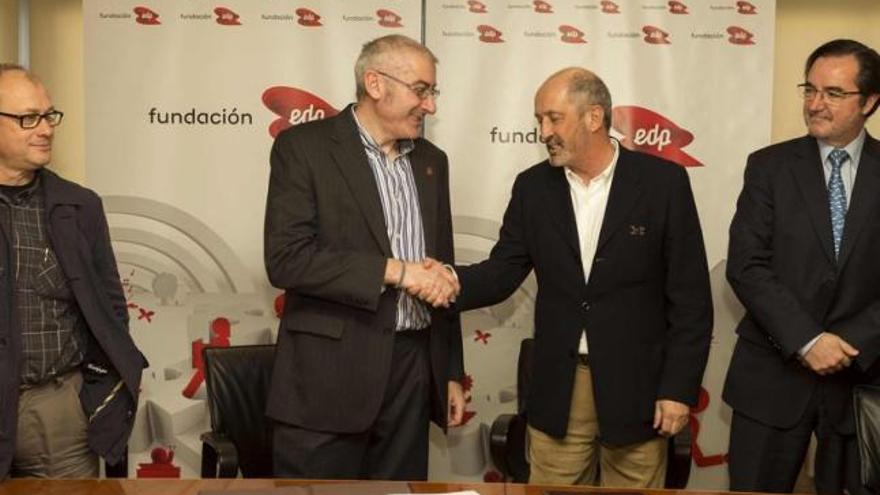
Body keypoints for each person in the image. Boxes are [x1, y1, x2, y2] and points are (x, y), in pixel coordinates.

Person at [449, 67, 712, 487]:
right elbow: (501, 273)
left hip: (639, 390)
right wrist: (444, 280)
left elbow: (691, 301)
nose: (542, 131)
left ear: (594, 117)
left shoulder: (663, 183)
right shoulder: (533, 188)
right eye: (538, 120)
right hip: (559, 390)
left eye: (553, 118)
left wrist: (679, 390)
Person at [263, 35, 464, 480]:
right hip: (328, 376)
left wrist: (449, 371)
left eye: (432, 92)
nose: (429, 105)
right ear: (375, 83)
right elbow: (287, 260)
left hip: (412, 372)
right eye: (421, 90)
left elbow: (439, 269)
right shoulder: (304, 149)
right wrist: (396, 272)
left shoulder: (433, 161)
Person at [724, 39, 880, 494]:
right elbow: (747, 264)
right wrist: (807, 340)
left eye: (833, 93)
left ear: (870, 102)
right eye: (809, 89)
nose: (815, 104)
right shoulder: (768, 168)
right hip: (771, 380)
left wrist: (851, 342)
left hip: (861, 382)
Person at [0, 64, 146, 479]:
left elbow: (111, 309)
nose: (45, 129)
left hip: (57, 411)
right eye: (28, 118)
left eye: (49, 115)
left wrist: (97, 388)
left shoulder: (79, 205)